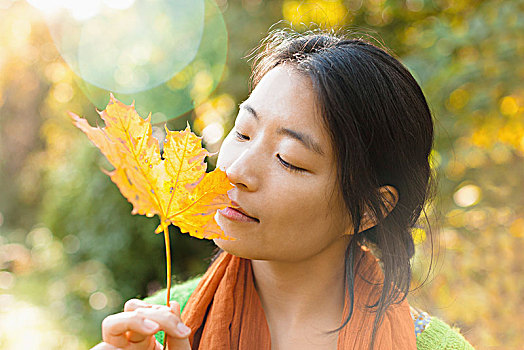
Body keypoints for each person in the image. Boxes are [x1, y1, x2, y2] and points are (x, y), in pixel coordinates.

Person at [92, 29, 475, 350]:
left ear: (370, 210)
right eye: (242, 132)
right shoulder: (154, 325)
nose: (237, 171)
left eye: (289, 159)